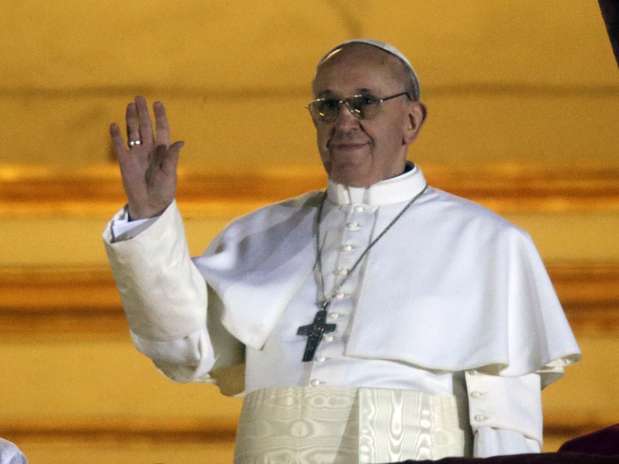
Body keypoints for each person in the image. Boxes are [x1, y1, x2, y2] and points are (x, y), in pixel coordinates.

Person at [103, 39, 580, 463]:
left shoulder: (489, 244)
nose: (344, 120)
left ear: (411, 119)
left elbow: (505, 419)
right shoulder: (258, 235)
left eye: (364, 103)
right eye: (327, 106)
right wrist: (150, 217)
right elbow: (182, 350)